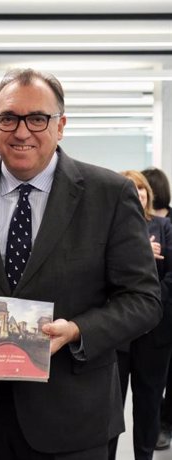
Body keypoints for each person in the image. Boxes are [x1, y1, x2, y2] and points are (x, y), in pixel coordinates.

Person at [0, 68, 161, 459]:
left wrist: (78, 330)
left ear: (60, 126)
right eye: (8, 118)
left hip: (71, 417)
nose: (21, 131)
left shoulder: (109, 194)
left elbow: (144, 299)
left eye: (37, 119)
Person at [108, 170, 172, 460]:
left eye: (141, 189)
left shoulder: (164, 226)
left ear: (148, 194)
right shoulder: (110, 229)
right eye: (130, 188)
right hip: (118, 334)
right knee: (110, 405)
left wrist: (149, 301)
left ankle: (144, 456)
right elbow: (101, 276)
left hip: (154, 332)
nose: (137, 193)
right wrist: (142, 254)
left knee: (148, 405)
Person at [143, 167, 172, 450]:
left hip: (163, 315)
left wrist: (153, 299)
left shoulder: (166, 227)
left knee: (158, 383)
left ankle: (164, 425)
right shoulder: (128, 225)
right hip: (136, 325)